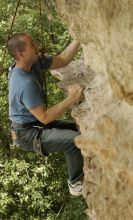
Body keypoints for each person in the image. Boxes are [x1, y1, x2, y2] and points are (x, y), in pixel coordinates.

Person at [7, 33, 84, 196]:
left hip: (34, 123)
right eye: (32, 44)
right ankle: (75, 184)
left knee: (76, 127)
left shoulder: (34, 62)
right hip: (26, 134)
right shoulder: (23, 83)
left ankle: (85, 163)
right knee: (74, 140)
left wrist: (80, 36)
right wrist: (71, 99)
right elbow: (45, 117)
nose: (36, 46)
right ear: (21, 54)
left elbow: (63, 60)